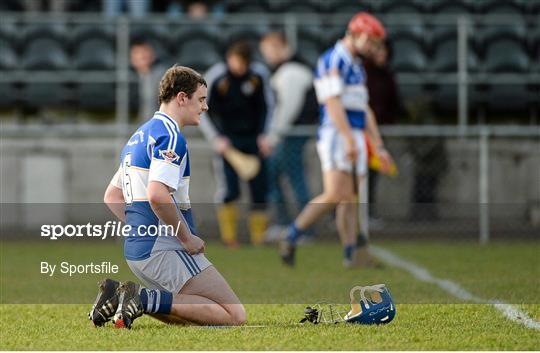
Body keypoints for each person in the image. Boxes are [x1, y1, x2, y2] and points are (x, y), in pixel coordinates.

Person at [92, 65, 246, 328]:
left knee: (188, 318)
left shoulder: (139, 135)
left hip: (136, 251)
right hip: (164, 248)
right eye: (201, 99)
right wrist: (186, 238)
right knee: (233, 315)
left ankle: (121, 295)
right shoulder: (171, 136)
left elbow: (112, 195)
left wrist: (140, 228)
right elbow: (158, 195)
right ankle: (140, 297)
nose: (205, 107)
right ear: (181, 98)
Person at [279, 12, 394, 268]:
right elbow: (332, 103)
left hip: (353, 134)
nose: (374, 48)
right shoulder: (333, 60)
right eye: (372, 42)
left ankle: (351, 255)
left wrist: (377, 145)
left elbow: (365, 110)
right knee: (335, 194)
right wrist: (348, 139)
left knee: (350, 198)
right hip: (336, 133)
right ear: (358, 34)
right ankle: (292, 235)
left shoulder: (356, 65)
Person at [199, 41, 272, 247]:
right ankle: (229, 239)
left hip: (254, 140)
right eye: (236, 62)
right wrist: (215, 138)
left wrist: (266, 135)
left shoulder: (258, 75)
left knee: (260, 191)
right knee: (229, 191)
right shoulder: (217, 76)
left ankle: (259, 239)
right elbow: (203, 108)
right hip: (228, 141)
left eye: (243, 63)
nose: (239, 67)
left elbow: (268, 106)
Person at [258, 31, 318, 238]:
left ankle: (305, 229)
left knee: (294, 178)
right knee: (277, 177)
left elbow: (287, 110)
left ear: (281, 47)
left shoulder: (291, 71)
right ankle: (287, 224)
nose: (266, 56)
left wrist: (272, 138)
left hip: (291, 134)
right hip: (287, 134)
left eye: (269, 50)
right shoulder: (286, 70)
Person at [363, 40, 402, 222]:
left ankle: (368, 213)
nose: (380, 54)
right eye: (377, 49)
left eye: (383, 50)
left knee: (372, 174)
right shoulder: (361, 73)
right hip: (360, 131)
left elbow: (394, 102)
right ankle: (342, 214)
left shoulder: (388, 76)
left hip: (378, 131)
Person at [130, 38, 167, 123]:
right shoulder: (133, 77)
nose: (142, 56)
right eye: (137, 53)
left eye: (145, 51)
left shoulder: (161, 74)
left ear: (153, 55)